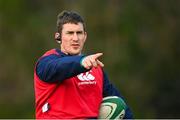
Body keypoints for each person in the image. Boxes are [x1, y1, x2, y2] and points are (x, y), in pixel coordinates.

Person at [34, 10, 133, 119]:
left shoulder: (95, 67)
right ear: (58, 37)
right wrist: (80, 62)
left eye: (79, 33)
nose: (75, 38)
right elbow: (59, 66)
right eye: (70, 33)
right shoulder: (46, 63)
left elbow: (120, 104)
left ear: (85, 36)